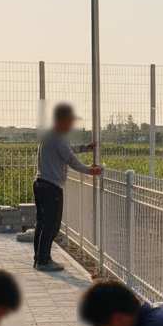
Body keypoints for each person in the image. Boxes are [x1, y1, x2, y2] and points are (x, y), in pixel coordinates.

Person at [34, 102, 102, 272]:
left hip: (41, 184)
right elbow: (70, 159)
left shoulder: (51, 135)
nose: (71, 125)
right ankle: (43, 261)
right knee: (52, 225)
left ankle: (40, 258)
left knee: (42, 223)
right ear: (62, 120)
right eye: (70, 121)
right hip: (51, 187)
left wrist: (85, 148)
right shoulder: (57, 137)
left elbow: (67, 151)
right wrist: (90, 171)